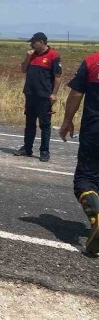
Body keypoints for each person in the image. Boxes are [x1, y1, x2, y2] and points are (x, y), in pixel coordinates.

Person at [59, 52, 99, 255]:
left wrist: (67, 120)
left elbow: (76, 93)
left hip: (95, 131)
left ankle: (97, 218)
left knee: (85, 180)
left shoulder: (93, 61)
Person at [14, 32, 62, 162]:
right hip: (30, 94)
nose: (31, 45)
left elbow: (57, 77)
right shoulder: (32, 55)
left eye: (33, 42)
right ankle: (27, 148)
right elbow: (23, 70)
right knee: (29, 123)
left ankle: (44, 151)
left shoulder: (53, 56)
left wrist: (54, 94)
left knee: (45, 125)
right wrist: (27, 57)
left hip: (44, 96)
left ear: (41, 42)